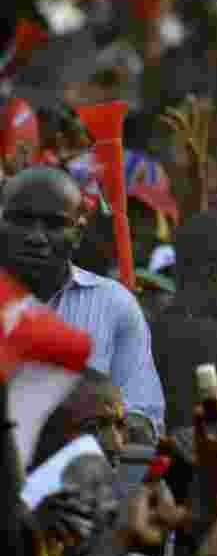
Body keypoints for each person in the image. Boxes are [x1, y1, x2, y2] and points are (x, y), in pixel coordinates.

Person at [0, 166, 165, 438]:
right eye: (21, 220)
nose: (36, 237)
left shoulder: (113, 304)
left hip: (84, 475)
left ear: (77, 233)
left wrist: (107, 422)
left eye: (54, 224)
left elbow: (144, 415)